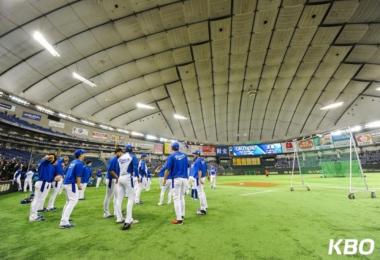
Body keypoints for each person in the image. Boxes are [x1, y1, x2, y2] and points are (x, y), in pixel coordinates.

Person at [59, 149, 86, 229]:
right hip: (71, 184)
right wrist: (79, 185)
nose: (84, 155)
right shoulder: (79, 163)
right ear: (80, 155)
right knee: (73, 201)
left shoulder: (73, 162)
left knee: (68, 202)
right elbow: (78, 176)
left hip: (67, 182)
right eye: (83, 154)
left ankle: (64, 218)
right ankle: (64, 222)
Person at [29, 154, 60, 222]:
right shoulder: (45, 163)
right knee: (37, 200)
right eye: (51, 157)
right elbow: (46, 158)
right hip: (42, 183)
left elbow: (51, 178)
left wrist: (55, 179)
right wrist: (49, 157)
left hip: (46, 184)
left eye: (53, 158)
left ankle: (35, 214)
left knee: (39, 200)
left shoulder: (52, 167)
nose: (52, 158)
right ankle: (32, 216)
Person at [163, 142, 188, 225]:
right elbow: (188, 166)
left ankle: (179, 219)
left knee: (176, 198)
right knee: (182, 197)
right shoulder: (185, 155)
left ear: (172, 148)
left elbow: (167, 169)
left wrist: (164, 179)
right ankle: (182, 215)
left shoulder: (171, 156)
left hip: (177, 178)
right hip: (185, 178)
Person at [115, 144, 139, 230]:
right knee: (131, 198)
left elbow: (117, 169)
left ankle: (119, 217)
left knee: (119, 198)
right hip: (128, 177)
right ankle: (128, 220)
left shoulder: (120, 158)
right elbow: (136, 168)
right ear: (132, 149)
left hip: (120, 177)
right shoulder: (133, 156)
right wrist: (138, 177)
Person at [103, 148, 122, 218]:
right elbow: (111, 170)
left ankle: (116, 212)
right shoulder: (113, 160)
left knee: (117, 196)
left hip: (115, 180)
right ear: (117, 152)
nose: (121, 154)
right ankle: (106, 213)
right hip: (111, 179)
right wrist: (117, 177)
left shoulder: (118, 159)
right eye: (120, 153)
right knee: (108, 196)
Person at [192, 150, 208, 215]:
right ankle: (205, 206)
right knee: (202, 192)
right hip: (203, 177)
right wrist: (208, 176)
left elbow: (199, 170)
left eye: (194, 154)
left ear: (197, 155)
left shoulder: (197, 161)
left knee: (200, 193)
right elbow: (206, 169)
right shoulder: (203, 160)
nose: (193, 155)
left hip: (199, 177)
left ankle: (202, 209)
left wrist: (199, 179)